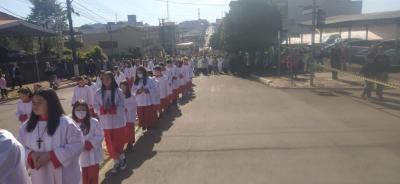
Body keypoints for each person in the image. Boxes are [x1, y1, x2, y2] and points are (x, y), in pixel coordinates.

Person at [18, 88, 84, 184]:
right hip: (40, 176)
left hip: (65, 175)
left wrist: (50, 156)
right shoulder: (26, 126)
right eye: (33, 103)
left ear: (50, 103)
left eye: (39, 103)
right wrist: (30, 155)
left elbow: (77, 144)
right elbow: (19, 147)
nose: (35, 106)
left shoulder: (66, 123)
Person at [94, 71, 127, 173]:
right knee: (110, 143)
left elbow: (122, 106)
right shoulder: (98, 93)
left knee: (118, 142)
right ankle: (116, 161)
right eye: (103, 79)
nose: (105, 81)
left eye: (107, 78)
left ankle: (122, 158)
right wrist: (103, 110)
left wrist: (113, 109)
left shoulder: (119, 92)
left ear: (112, 79)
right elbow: (95, 107)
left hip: (118, 122)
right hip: (106, 123)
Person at [72, 101, 103, 184]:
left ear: (87, 110)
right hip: (79, 158)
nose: (81, 112)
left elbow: (100, 135)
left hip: (93, 157)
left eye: (83, 109)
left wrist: (90, 143)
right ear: (74, 111)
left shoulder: (94, 122)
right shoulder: (71, 124)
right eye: (78, 110)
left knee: (93, 178)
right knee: (82, 180)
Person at [120, 81, 137, 149]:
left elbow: (134, 104)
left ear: (127, 87)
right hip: (121, 117)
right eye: (121, 87)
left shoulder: (132, 96)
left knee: (129, 130)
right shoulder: (118, 96)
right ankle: (124, 142)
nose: (122, 89)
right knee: (123, 131)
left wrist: (127, 108)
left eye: (124, 87)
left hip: (129, 116)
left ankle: (130, 143)